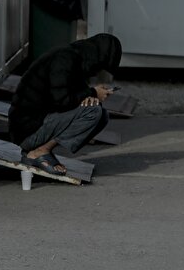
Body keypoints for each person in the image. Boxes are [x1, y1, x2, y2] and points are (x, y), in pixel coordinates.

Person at [8, 33, 122, 176]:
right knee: (93, 112)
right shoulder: (65, 59)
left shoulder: (74, 58)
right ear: (96, 57)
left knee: (101, 114)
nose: (96, 72)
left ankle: (39, 149)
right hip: (26, 131)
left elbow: (65, 96)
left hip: (35, 124)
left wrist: (88, 96)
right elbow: (61, 101)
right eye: (100, 67)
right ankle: (39, 152)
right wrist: (92, 92)